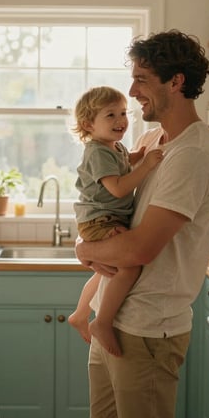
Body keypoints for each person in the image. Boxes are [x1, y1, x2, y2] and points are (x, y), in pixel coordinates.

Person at [75, 30, 209, 418]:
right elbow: (110, 204)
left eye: (142, 78)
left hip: (148, 329)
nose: (132, 90)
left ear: (175, 82)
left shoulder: (191, 154)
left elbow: (140, 248)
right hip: (113, 314)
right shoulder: (150, 141)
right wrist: (85, 247)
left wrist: (84, 249)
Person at [68, 86, 163, 356]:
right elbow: (119, 188)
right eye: (110, 115)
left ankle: (80, 313)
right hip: (100, 220)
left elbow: (122, 163)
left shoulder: (114, 147)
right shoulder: (97, 151)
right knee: (129, 268)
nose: (120, 120)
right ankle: (103, 322)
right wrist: (145, 166)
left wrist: (134, 157)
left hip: (104, 218)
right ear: (89, 124)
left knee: (105, 270)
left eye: (123, 113)